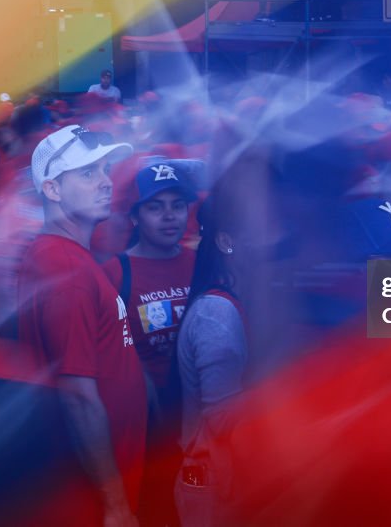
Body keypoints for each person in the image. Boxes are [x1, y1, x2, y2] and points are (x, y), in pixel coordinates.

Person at [17, 125, 146, 526]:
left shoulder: (64, 256)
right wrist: (115, 505)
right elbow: (76, 396)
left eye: (106, 170)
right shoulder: (66, 268)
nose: (106, 182)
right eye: (88, 173)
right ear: (53, 190)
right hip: (91, 495)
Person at [102, 160, 199, 527]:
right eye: (155, 207)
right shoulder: (114, 273)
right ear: (134, 217)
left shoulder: (201, 263)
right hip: (148, 431)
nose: (169, 216)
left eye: (177, 205)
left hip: (197, 424)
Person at [174, 194, 249, 527]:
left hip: (216, 480)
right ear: (226, 241)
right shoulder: (216, 313)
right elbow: (222, 419)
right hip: (212, 486)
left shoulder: (223, 301)